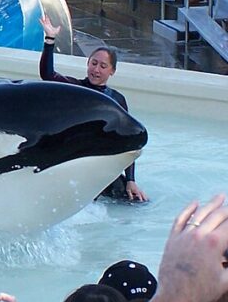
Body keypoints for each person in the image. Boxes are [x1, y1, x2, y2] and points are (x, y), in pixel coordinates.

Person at [38, 15, 148, 202]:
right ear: (87, 64)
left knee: (135, 201)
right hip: (75, 162)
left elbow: (127, 141)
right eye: (93, 63)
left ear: (112, 71)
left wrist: (130, 180)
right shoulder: (76, 88)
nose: (96, 70)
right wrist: (50, 39)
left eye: (103, 66)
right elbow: (47, 74)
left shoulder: (117, 100)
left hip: (100, 165)